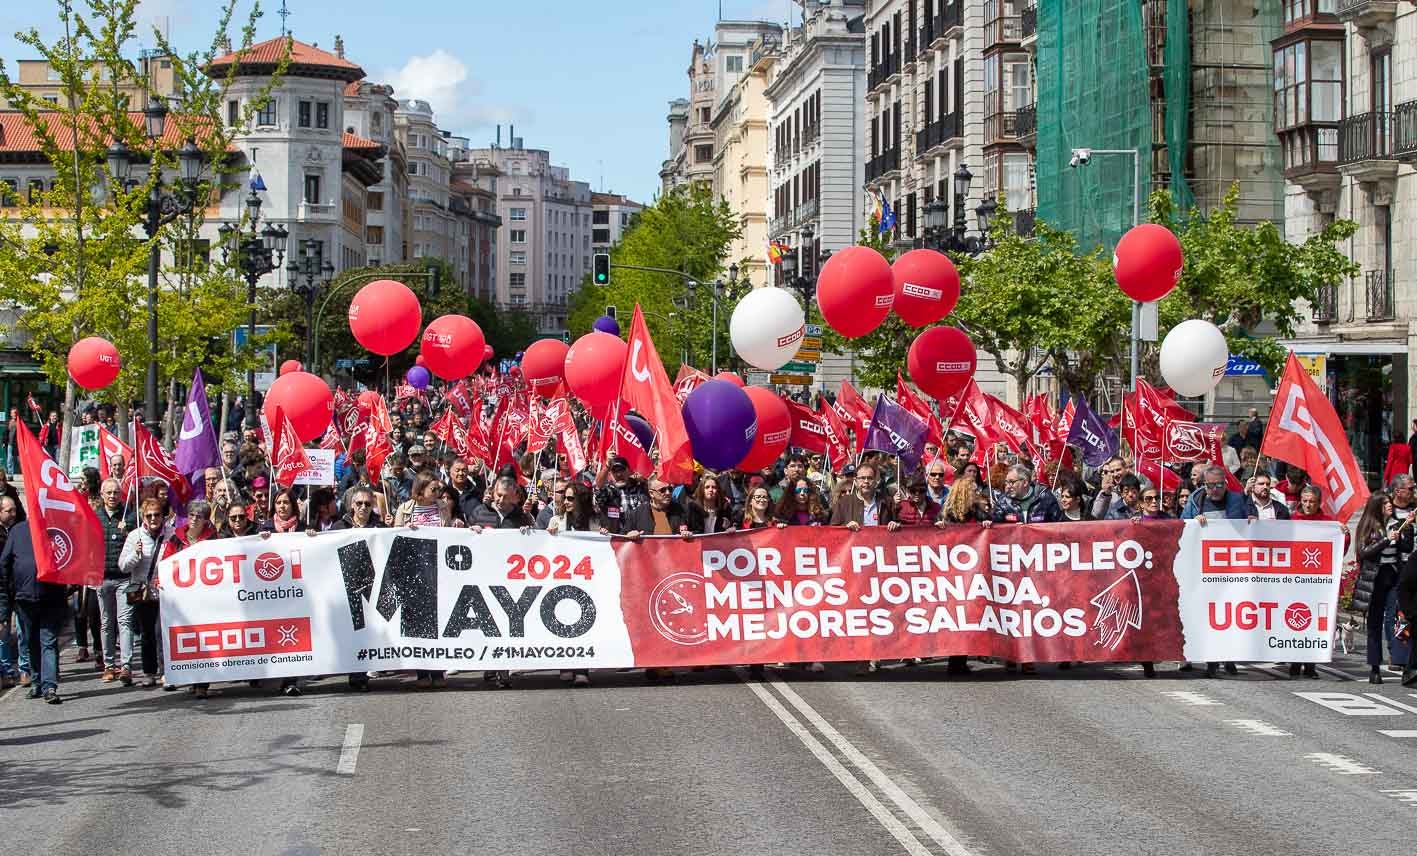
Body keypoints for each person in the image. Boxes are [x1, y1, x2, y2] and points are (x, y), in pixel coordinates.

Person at [0, 521, 66, 703]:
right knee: (31, 642)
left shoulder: (56, 528)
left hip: (51, 599)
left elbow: (68, 558)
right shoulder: (18, 531)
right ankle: (37, 681)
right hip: (25, 599)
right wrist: (10, 594)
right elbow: (4, 565)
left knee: (48, 642)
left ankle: (49, 686)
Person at [118, 497, 169, 689]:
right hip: (144, 593)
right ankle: (149, 672)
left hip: (165, 592)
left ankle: (166, 671)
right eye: (149, 515)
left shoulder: (170, 534)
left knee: (161, 633)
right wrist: (135, 555)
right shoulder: (134, 537)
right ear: (143, 517)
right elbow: (123, 566)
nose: (154, 518)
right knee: (147, 633)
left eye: (157, 514)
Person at [1355, 494, 1401, 684]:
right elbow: (1364, 552)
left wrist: (1402, 535)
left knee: (1395, 618)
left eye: (1390, 503)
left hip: (1393, 574)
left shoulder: (1396, 524)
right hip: (1375, 578)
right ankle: (1375, 667)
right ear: (1377, 507)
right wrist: (1385, 540)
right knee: (1374, 623)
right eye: (1385, 503)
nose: (1390, 506)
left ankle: (1400, 660)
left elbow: (1404, 549)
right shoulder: (1369, 526)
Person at [95, 477, 136, 684]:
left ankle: (126, 666)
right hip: (102, 579)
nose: (112, 496)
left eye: (116, 493)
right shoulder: (95, 517)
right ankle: (109, 665)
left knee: (125, 621)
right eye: (108, 493)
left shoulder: (130, 515)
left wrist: (127, 530)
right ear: (102, 494)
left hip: (124, 579)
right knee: (106, 623)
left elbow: (138, 541)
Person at [830, 464, 899, 531]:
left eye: (870, 478)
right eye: (862, 478)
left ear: (875, 481)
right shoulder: (844, 502)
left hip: (880, 542)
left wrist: (895, 524)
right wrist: (846, 526)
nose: (866, 481)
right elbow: (833, 530)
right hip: (855, 542)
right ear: (856, 481)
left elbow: (901, 525)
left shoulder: (886, 501)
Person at [988, 465, 1062, 525]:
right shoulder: (1003, 501)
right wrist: (989, 523)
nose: (1008, 486)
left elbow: (1058, 524)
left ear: (1025, 483)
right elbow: (996, 523)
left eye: (1012, 482)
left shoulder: (1045, 497)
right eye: (1006, 482)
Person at [619, 477, 689, 538]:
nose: (668, 493)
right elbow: (623, 538)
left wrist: (688, 534)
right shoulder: (636, 514)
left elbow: (697, 533)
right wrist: (629, 535)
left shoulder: (681, 510)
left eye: (670, 489)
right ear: (651, 494)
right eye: (662, 490)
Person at [596, 456, 650, 534]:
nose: (619, 474)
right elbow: (599, 485)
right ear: (610, 474)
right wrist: (607, 466)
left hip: (639, 536)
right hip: (617, 538)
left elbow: (656, 493)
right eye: (615, 471)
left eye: (622, 470)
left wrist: (644, 481)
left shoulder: (640, 488)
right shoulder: (608, 491)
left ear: (629, 470)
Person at [470, 477, 535, 531]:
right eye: (499, 495)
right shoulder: (479, 511)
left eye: (506, 497)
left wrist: (528, 532)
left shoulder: (521, 515)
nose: (501, 500)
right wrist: (472, 530)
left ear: (513, 496)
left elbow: (533, 537)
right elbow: (465, 535)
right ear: (493, 492)